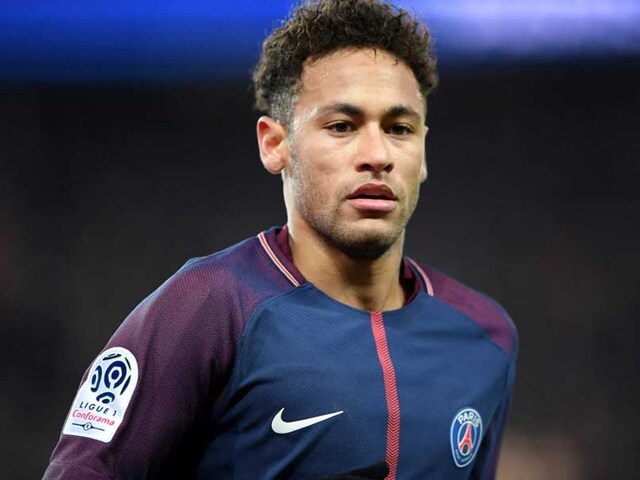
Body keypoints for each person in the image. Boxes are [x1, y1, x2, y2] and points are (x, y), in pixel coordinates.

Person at [44, 1, 517, 479]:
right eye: (342, 126)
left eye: (399, 129)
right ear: (275, 144)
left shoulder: (485, 337)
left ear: (423, 150)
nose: (377, 154)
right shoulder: (207, 308)